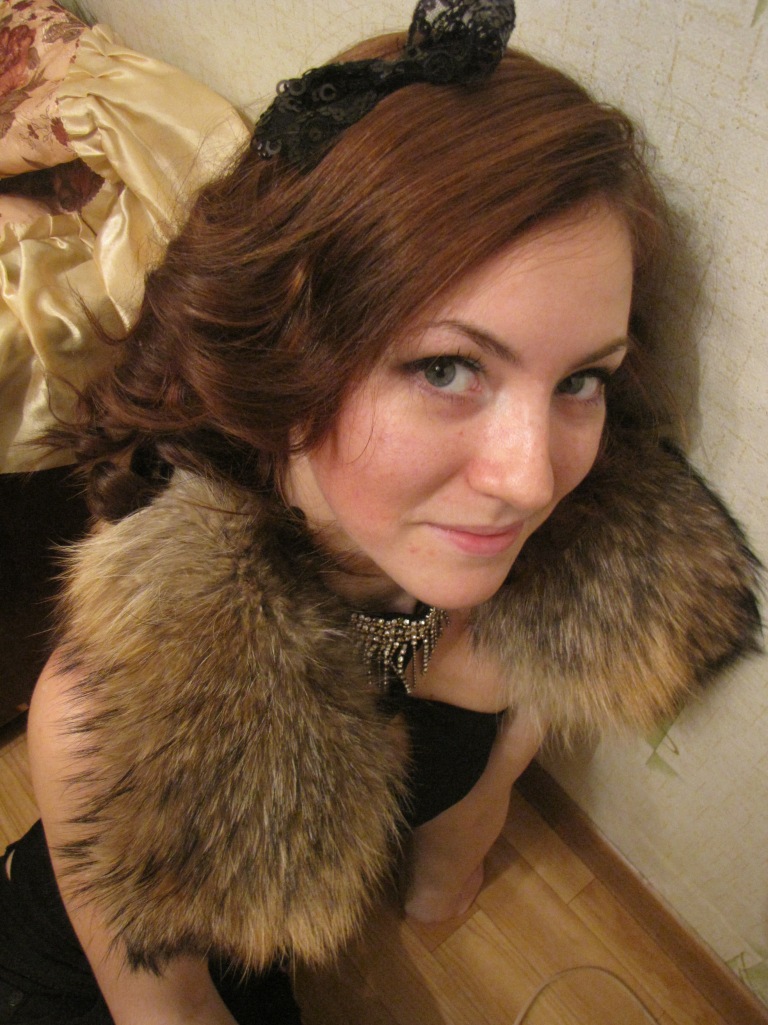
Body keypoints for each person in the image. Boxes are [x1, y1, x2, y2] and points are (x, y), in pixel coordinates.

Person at [0, 1, 760, 1023]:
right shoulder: (106, 719)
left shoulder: (525, 564)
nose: (534, 481)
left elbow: (495, 765)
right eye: (446, 367)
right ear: (284, 356)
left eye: (581, 378)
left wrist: (457, 852)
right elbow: (169, 1008)